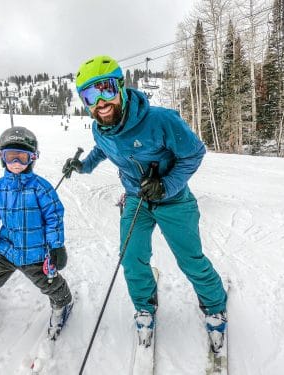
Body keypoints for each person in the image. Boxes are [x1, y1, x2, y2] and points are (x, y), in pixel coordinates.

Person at [62, 55, 227, 351]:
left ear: (121, 87)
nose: (100, 101)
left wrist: (166, 185)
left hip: (173, 200)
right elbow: (103, 150)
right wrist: (83, 166)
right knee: (131, 258)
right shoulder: (101, 129)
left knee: (190, 259)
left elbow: (195, 153)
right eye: (90, 95)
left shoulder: (160, 120)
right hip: (136, 201)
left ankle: (215, 304)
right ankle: (144, 306)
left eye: (106, 89)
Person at [0, 126, 73, 350]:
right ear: (2, 157)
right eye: (11, 156)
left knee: (50, 283)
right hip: (6, 251)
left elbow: (54, 217)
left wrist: (57, 246)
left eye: (23, 156)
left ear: (33, 158)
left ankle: (62, 304)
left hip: (35, 252)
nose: (17, 162)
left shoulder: (42, 188)